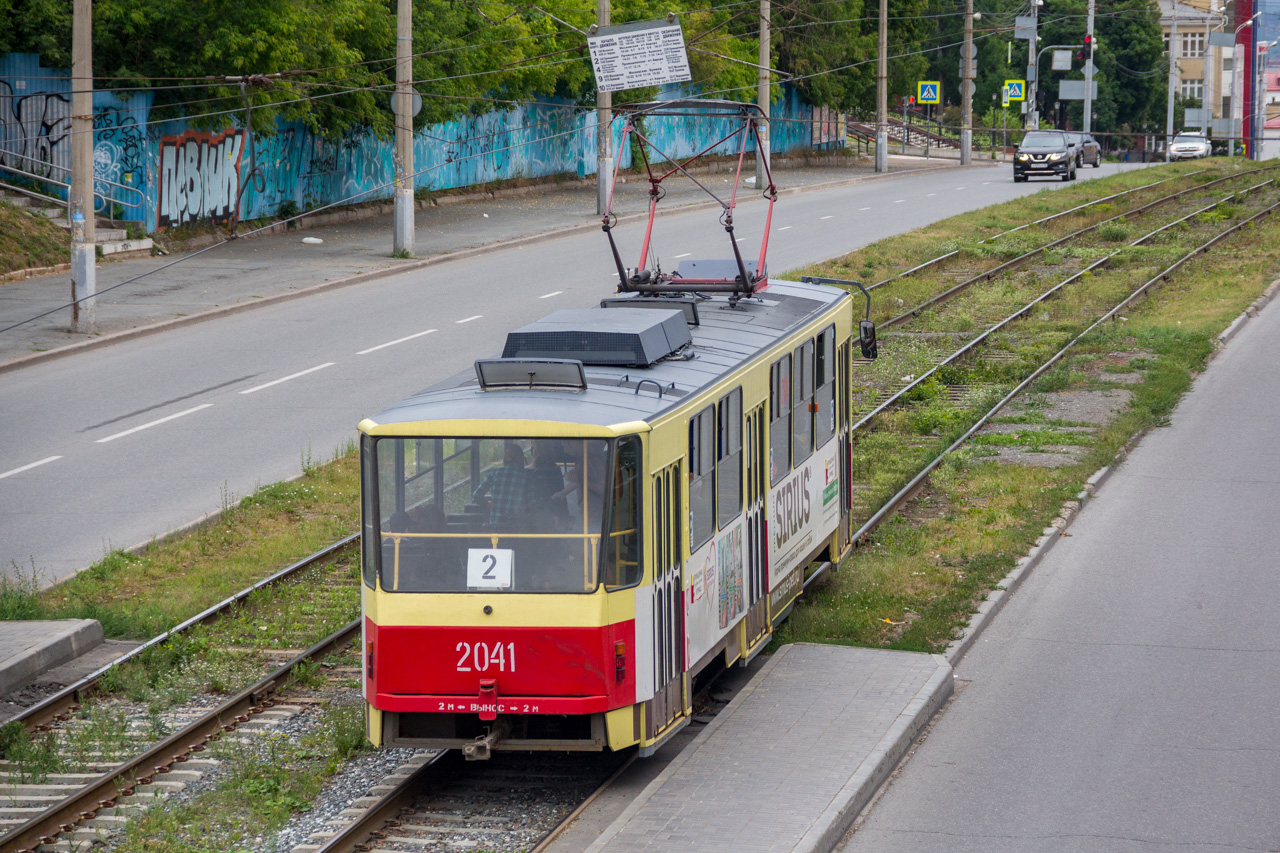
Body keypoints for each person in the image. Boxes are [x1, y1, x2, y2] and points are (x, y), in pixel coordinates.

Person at [471, 443, 531, 526]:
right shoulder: (526, 476)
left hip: (495, 526)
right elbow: (532, 502)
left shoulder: (495, 473)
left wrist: (488, 504)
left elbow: (476, 495)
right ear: (521, 458)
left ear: (505, 458)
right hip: (517, 527)